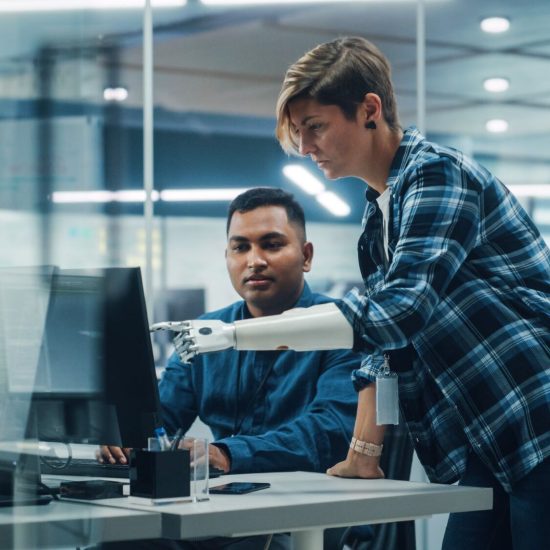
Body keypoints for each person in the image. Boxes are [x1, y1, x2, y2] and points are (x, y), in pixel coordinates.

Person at [164, 37, 550, 550]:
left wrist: (236, 335)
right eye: (298, 133)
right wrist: (363, 453)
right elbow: (382, 349)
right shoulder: (379, 218)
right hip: (490, 432)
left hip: (537, 418)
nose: (305, 148)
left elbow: (400, 312)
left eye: (315, 127)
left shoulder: (439, 175)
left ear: (369, 110)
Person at [100, 187, 360, 550]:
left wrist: (227, 453)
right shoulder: (205, 333)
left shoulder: (341, 328)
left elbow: (329, 431)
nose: (254, 260)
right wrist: (122, 434)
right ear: (227, 257)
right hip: (213, 509)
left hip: (297, 517)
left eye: (271, 244)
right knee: (120, 539)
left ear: (306, 256)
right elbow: (160, 416)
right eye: (240, 247)